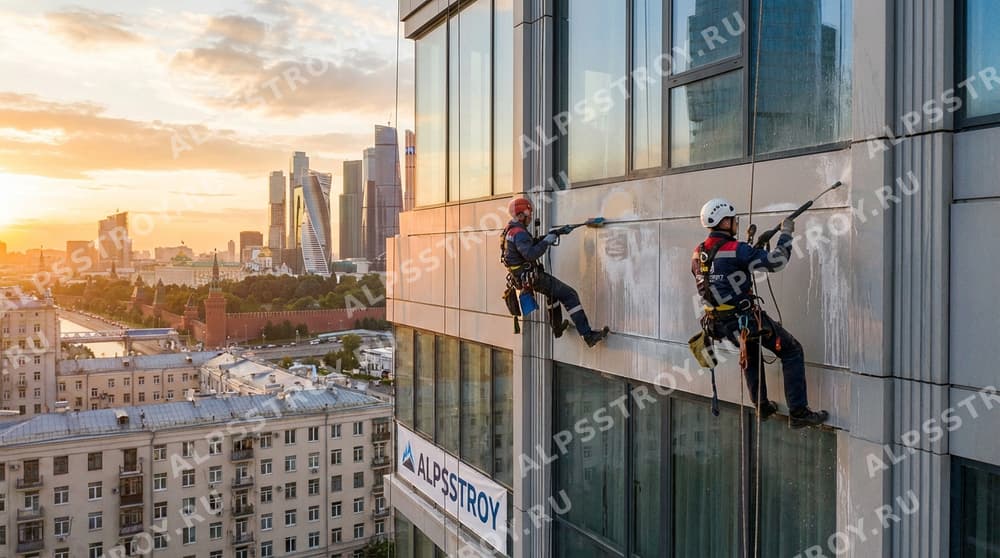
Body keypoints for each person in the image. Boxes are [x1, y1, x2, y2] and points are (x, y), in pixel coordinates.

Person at [692, 198, 828, 429]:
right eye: (734, 220)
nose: (736, 223)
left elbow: (723, 273)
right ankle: (798, 412)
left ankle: (761, 405)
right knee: (792, 350)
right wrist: (785, 233)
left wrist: (753, 251)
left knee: (751, 350)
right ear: (725, 222)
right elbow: (777, 262)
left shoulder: (698, 251)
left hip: (718, 324)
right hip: (742, 319)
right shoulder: (737, 250)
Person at [503, 197, 608, 347]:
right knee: (570, 295)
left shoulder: (511, 230)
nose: (531, 217)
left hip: (522, 277)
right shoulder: (519, 233)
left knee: (552, 294)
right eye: (529, 214)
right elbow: (530, 254)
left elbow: (530, 243)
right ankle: (588, 335)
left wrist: (557, 233)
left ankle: (557, 328)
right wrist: (546, 241)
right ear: (521, 214)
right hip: (531, 277)